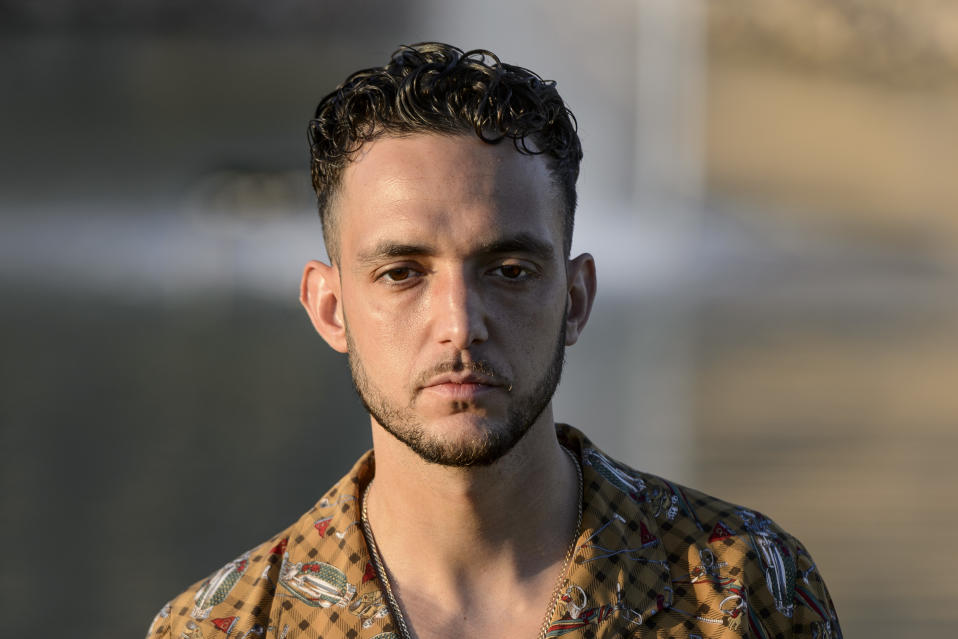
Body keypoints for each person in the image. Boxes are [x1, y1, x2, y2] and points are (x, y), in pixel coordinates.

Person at [146, 42, 842, 639]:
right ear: (330, 308)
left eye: (509, 271)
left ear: (575, 299)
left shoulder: (743, 593)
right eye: (401, 272)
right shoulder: (227, 625)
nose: (460, 322)